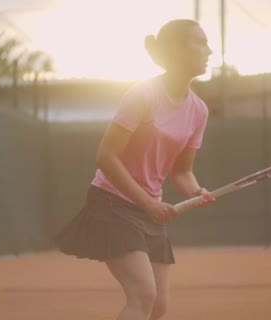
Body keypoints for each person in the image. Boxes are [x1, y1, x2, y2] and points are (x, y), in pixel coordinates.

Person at [57, 19, 214, 320]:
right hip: (112, 203)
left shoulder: (199, 110)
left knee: (158, 306)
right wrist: (149, 204)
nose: (209, 50)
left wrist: (195, 191)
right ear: (177, 51)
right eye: (200, 42)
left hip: (149, 210)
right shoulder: (142, 95)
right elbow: (106, 156)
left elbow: (182, 171)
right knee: (143, 295)